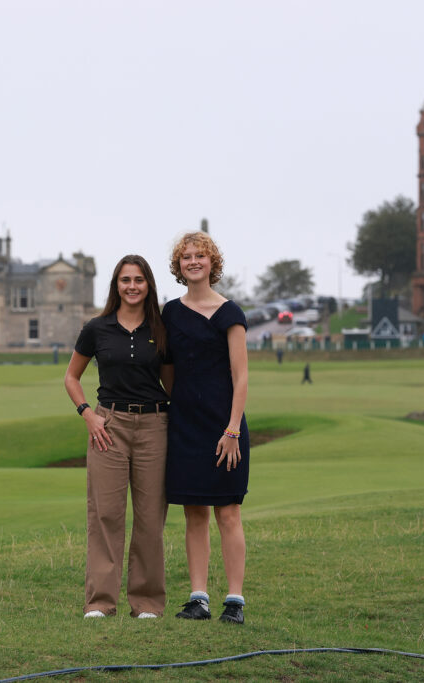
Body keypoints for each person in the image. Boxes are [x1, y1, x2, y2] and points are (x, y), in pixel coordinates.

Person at [64, 255, 172, 619]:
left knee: (149, 518)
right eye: (125, 280)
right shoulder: (97, 328)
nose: (132, 286)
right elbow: (71, 378)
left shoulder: (161, 328)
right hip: (108, 427)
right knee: (106, 515)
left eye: (139, 280)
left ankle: (147, 603)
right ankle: (100, 602)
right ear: (116, 285)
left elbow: (171, 385)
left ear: (148, 285)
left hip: (154, 426)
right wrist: (88, 415)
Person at [162, 232, 249, 625]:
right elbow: (167, 373)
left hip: (223, 426)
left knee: (227, 512)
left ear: (213, 262)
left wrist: (231, 430)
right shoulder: (169, 314)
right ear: (179, 266)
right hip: (185, 426)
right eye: (186, 257)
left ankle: (234, 601)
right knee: (193, 512)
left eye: (200, 256)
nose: (193, 261)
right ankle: (199, 599)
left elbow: (241, 376)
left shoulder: (231, 313)